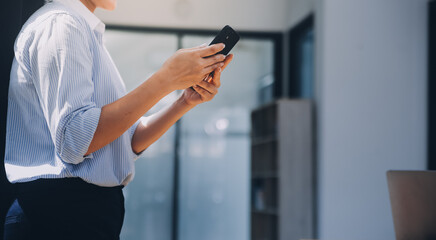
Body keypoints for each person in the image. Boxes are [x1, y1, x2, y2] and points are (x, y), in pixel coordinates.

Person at [3, 0, 233, 239]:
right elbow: (76, 140)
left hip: (80, 211)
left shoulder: (79, 28)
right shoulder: (61, 24)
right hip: (58, 212)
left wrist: (184, 101)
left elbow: (125, 140)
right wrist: (166, 78)